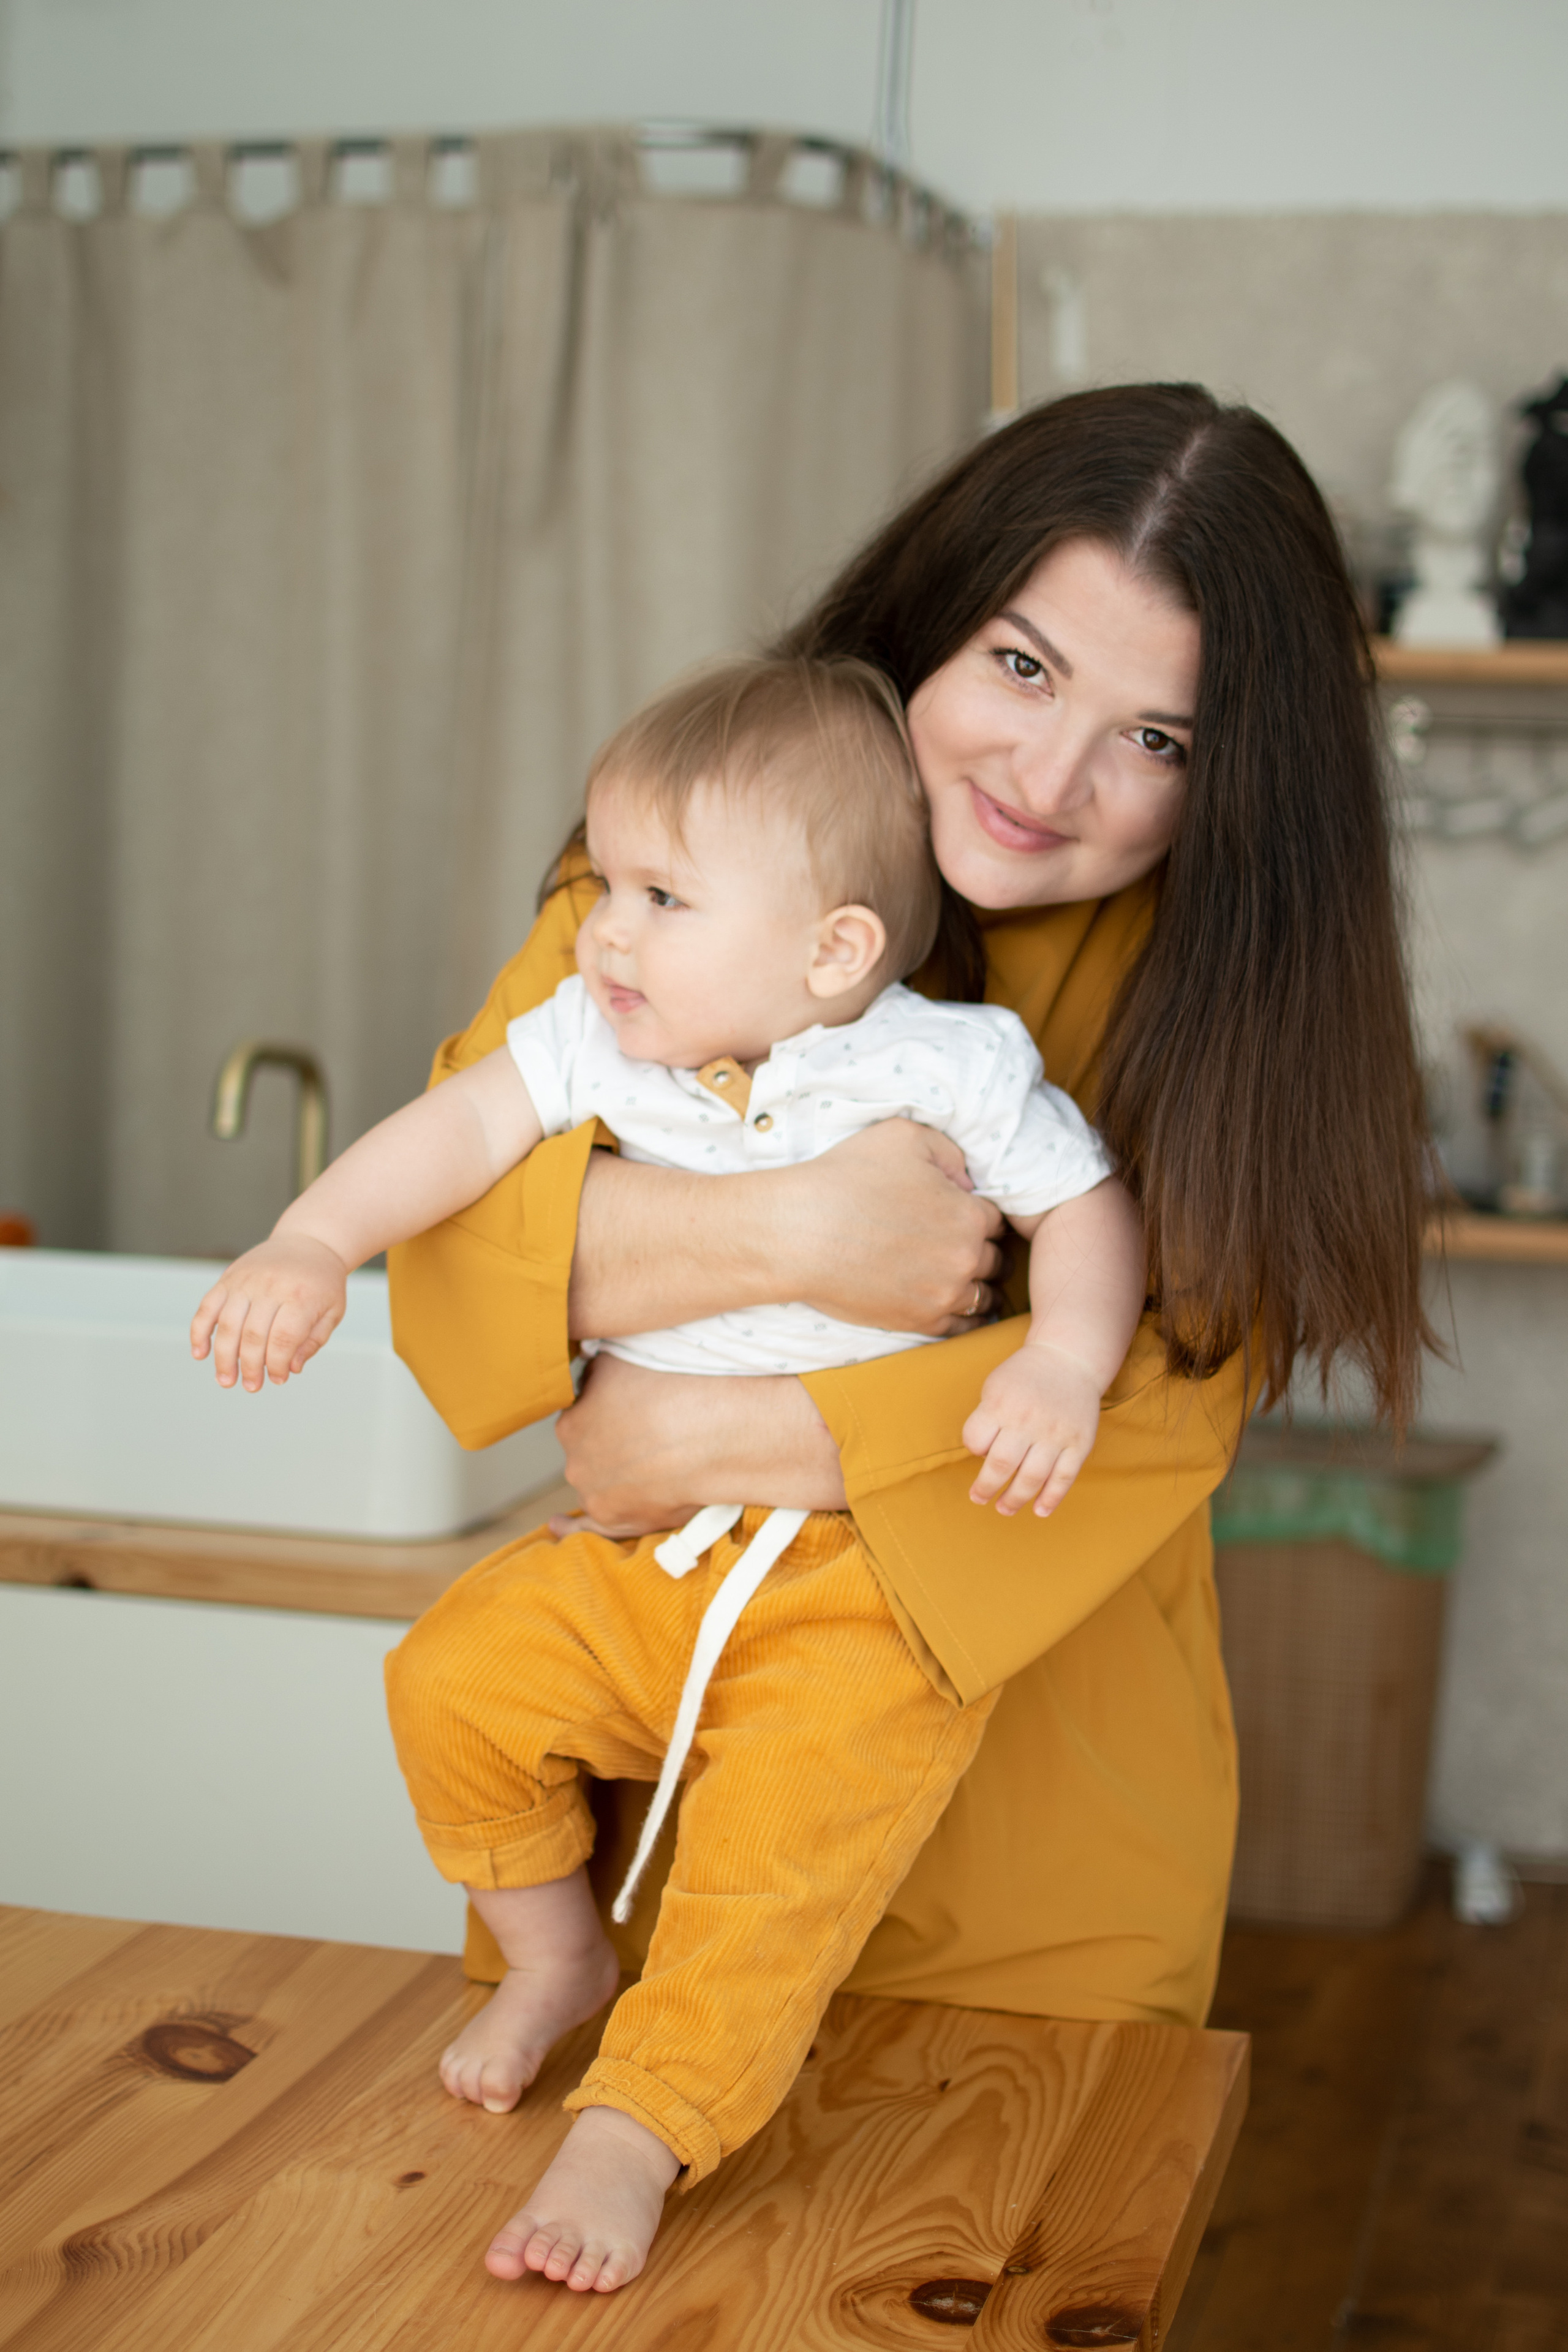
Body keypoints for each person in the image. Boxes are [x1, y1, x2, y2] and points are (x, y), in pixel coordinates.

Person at [388, 384, 1430, 2288]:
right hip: (668, 1830)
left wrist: (692, 1429)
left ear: (1239, 783)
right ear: (928, 621)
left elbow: (1147, 1413)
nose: (1051, 773)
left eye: (1159, 736)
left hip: (1050, 1885)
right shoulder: (683, 864)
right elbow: (450, 1236)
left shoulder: (1244, 1021)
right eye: (1020, 663)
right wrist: (797, 1231)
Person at [189, 653, 1146, 2295]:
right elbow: (457, 1132)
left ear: (835, 948)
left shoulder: (947, 1065)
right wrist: (311, 1238)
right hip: (647, 1548)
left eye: (659, 896)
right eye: (608, 883)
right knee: (453, 1679)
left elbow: (1086, 1211)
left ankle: (643, 2123)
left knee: (774, 1859)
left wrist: (1062, 1363)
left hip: (856, 1588)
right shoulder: (599, 1034)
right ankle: (559, 1958)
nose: (605, 929)